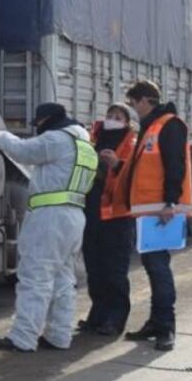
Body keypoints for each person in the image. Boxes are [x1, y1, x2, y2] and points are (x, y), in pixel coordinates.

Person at [0, 103, 98, 353]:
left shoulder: (56, 139)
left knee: (34, 277)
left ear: (46, 120)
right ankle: (59, 335)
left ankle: (23, 338)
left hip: (50, 217)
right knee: (63, 279)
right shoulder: (83, 143)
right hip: (73, 217)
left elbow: (23, 151)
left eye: (38, 123)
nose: (37, 128)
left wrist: (0, 135)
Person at [104, 80, 192, 352]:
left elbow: (175, 165)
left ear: (145, 101)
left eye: (133, 103)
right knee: (153, 268)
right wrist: (118, 165)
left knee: (158, 268)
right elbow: (143, 167)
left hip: (161, 211)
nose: (132, 109)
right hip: (149, 211)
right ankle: (156, 322)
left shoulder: (169, 125)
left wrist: (169, 202)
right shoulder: (151, 126)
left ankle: (166, 327)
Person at [79, 103, 137, 336]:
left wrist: (116, 164)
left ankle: (115, 319)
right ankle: (97, 315)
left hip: (118, 216)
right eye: (110, 116)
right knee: (95, 268)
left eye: (118, 117)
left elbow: (137, 175)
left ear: (127, 122)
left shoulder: (132, 143)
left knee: (115, 270)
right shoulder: (93, 139)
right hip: (92, 214)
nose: (113, 120)